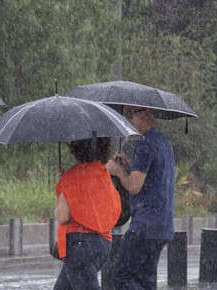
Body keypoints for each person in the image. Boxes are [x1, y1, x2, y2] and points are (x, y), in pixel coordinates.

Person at [106, 106, 175, 290]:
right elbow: (151, 179)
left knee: (122, 276)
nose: (128, 119)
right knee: (146, 279)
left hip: (145, 225)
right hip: (163, 225)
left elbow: (134, 187)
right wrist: (128, 167)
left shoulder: (145, 144)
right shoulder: (164, 143)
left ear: (146, 114)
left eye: (131, 114)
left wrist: (118, 171)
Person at [54, 137, 121, 289]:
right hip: (103, 243)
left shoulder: (71, 176)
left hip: (79, 245)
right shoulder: (103, 173)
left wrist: (63, 186)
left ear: (75, 150)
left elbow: (63, 216)